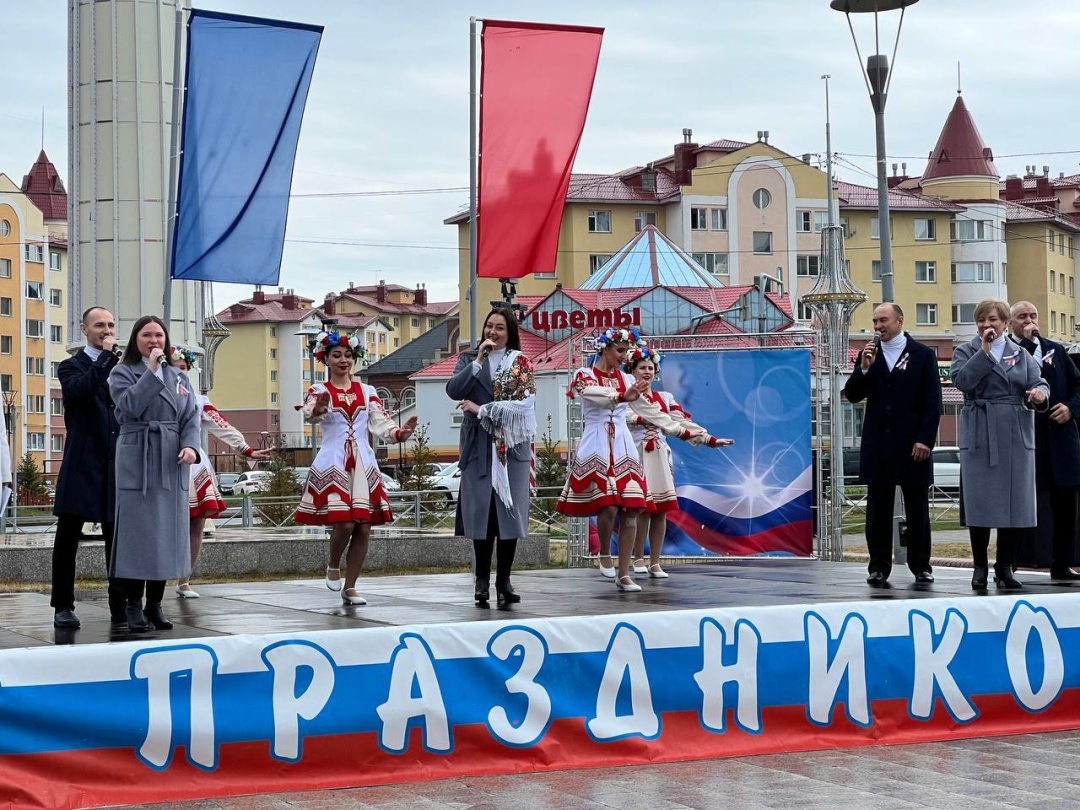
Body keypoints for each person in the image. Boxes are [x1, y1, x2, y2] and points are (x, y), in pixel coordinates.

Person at [556, 327, 708, 592]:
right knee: (609, 506)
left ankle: (624, 573)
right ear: (604, 348)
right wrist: (619, 397)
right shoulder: (586, 374)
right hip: (598, 444)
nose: (623, 356)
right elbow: (591, 393)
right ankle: (605, 551)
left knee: (633, 508)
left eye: (626, 351)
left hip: (625, 446)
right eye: (619, 350)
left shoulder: (627, 379)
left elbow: (655, 414)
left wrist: (698, 436)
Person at [296, 331, 417, 605]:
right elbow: (309, 413)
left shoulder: (367, 391)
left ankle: (350, 587)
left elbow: (381, 423)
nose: (343, 360)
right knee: (346, 521)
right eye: (337, 355)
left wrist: (400, 433)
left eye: (348, 355)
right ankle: (332, 563)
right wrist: (318, 409)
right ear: (325, 359)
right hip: (334, 461)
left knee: (363, 527)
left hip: (363, 462)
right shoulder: (319, 390)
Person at [109, 315, 202, 631]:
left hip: (171, 459)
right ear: (136, 340)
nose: (154, 341)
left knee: (167, 533)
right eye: (147, 335)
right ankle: (132, 604)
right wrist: (150, 372)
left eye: (159, 335)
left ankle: (155, 604)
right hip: (138, 456)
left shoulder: (179, 376)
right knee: (139, 535)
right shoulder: (122, 373)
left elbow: (191, 417)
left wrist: (190, 446)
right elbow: (127, 408)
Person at [951, 298, 1048, 591]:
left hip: (1015, 433)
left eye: (992, 320)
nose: (986, 325)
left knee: (1014, 503)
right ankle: (980, 566)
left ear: (1005, 323)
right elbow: (962, 381)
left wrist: (1040, 394)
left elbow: (1039, 381)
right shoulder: (965, 350)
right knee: (980, 503)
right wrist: (985, 352)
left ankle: (1005, 566)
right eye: (981, 320)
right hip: (981, 429)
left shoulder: (1021, 354)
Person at [843, 303, 942, 588]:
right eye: (874, 321)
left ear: (900, 321)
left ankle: (921, 565)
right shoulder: (868, 355)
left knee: (917, 509)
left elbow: (932, 402)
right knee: (878, 510)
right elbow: (852, 394)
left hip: (913, 444)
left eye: (883, 320)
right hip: (879, 444)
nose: (878, 326)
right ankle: (878, 567)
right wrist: (863, 369)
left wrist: (925, 438)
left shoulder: (922, 355)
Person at [446, 308, 537, 606]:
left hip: (511, 446)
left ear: (510, 332)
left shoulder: (520, 363)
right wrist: (478, 362)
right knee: (482, 514)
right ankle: (481, 581)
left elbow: (525, 406)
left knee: (508, 515)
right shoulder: (469, 359)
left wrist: (483, 409)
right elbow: (453, 390)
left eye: (499, 327)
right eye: (489, 326)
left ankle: (505, 581)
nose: (492, 332)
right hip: (479, 447)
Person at [169, 346, 273, 598]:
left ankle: (185, 579)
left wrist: (246, 448)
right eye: (173, 368)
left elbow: (222, 425)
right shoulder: (153, 396)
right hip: (163, 463)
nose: (179, 373)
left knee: (196, 523)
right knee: (163, 522)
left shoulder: (198, 401)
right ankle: (153, 577)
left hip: (193, 465)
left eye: (183, 369)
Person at [624, 345, 732, 578]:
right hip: (636, 453)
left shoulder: (664, 397)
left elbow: (681, 422)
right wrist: (641, 418)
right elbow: (625, 417)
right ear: (631, 370)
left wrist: (709, 439)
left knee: (660, 511)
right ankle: (637, 558)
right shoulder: (626, 394)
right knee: (641, 509)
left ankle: (655, 561)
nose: (647, 372)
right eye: (641, 367)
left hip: (659, 455)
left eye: (651, 368)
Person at [50, 306, 126, 629]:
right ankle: (63, 605)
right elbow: (80, 391)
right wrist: (106, 359)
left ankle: (120, 605)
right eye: (99, 325)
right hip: (82, 462)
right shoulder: (70, 367)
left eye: (110, 324)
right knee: (68, 536)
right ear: (84, 329)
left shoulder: (122, 367)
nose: (106, 330)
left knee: (117, 538)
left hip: (115, 462)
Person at [1008, 301, 1080, 580]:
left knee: (1066, 506)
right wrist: (1028, 345)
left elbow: (1077, 386)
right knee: (1023, 504)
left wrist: (1071, 408)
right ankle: (1012, 562)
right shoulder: (1009, 351)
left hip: (1061, 440)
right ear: (1011, 322)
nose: (1029, 321)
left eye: (1033, 316)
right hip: (1027, 439)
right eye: (1022, 317)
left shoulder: (1057, 350)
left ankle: (1062, 563)